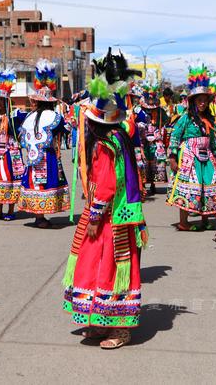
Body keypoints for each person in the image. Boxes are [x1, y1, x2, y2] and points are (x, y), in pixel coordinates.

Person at [62, 49, 147, 349]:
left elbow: (107, 186)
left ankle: (120, 328)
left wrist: (94, 219)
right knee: (100, 268)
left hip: (110, 217)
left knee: (109, 268)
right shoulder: (116, 140)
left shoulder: (104, 146)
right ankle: (101, 321)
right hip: (114, 214)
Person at [167, 63, 216, 231]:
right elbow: (175, 136)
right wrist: (172, 158)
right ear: (193, 101)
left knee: (209, 185)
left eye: (205, 100)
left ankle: (205, 219)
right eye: (199, 100)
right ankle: (184, 222)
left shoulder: (211, 119)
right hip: (189, 156)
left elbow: (214, 139)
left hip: (207, 157)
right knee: (188, 186)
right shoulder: (185, 118)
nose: (202, 103)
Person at [18, 59, 70, 228]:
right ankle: (41, 217)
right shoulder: (54, 116)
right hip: (48, 156)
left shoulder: (28, 117)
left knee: (35, 183)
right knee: (45, 183)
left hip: (32, 158)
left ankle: (38, 215)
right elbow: (66, 128)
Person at [0, 68, 25, 220]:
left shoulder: (15, 115)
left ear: (5, 101)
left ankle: (10, 211)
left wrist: (7, 120)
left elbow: (17, 131)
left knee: (11, 180)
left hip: (10, 152)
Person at [133, 81, 169, 195]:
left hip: (155, 138)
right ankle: (142, 184)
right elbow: (132, 121)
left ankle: (153, 183)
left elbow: (165, 121)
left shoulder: (160, 110)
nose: (151, 99)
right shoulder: (138, 109)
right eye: (149, 97)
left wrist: (159, 130)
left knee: (156, 161)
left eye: (153, 97)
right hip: (142, 138)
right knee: (141, 162)